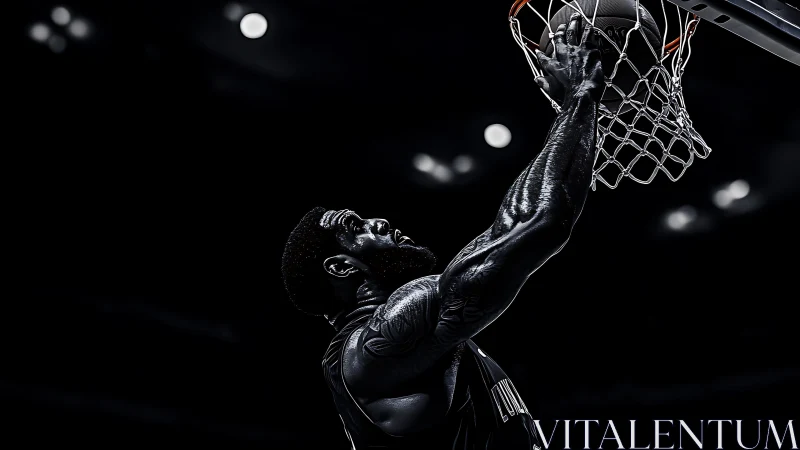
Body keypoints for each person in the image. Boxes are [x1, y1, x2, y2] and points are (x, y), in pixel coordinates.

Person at [280, 13, 603, 450]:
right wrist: (580, 99)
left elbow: (517, 227)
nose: (380, 221)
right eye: (356, 227)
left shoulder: (412, 335)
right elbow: (535, 224)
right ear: (340, 266)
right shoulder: (374, 349)